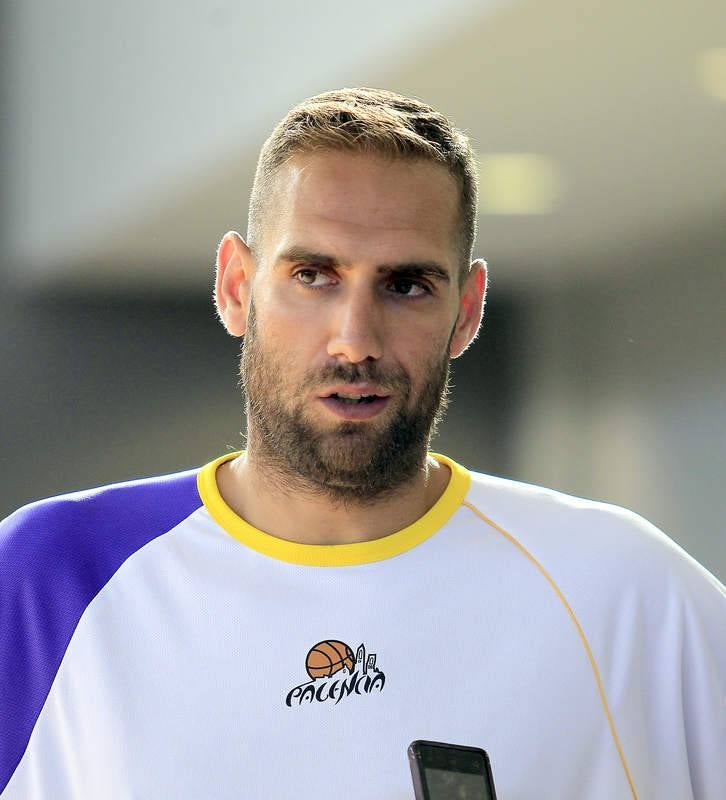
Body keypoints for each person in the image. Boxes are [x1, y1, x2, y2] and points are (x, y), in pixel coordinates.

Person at [0, 87, 723, 800]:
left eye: (406, 286)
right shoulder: (48, 578)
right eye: (312, 276)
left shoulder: (629, 593)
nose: (355, 340)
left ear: (466, 312)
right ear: (235, 286)